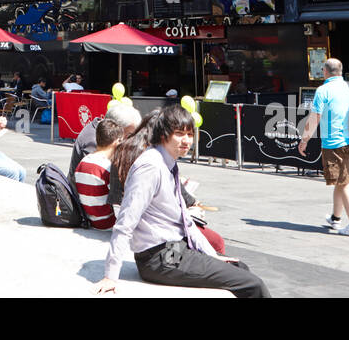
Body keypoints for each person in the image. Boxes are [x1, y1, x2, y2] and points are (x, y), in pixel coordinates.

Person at [95, 106, 269, 297]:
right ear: (163, 135)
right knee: (254, 285)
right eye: (179, 134)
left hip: (175, 249)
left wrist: (211, 254)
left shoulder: (168, 162)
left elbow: (185, 220)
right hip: (159, 259)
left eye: (190, 134)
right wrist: (110, 276)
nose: (186, 141)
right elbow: (125, 222)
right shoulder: (150, 167)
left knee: (240, 268)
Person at [298, 57, 349, 238]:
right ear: (341, 71)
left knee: (346, 184)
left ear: (325, 72)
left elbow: (314, 117)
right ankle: (336, 218)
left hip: (334, 143)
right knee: (343, 181)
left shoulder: (323, 90)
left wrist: (304, 140)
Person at [68, 100, 142, 198]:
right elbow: (105, 181)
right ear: (116, 128)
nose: (131, 140)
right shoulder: (95, 143)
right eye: (129, 135)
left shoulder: (100, 130)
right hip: (87, 201)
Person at [74, 117, 127, 228]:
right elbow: (121, 199)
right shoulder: (107, 167)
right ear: (116, 142)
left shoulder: (83, 162)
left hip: (88, 220)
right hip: (107, 224)